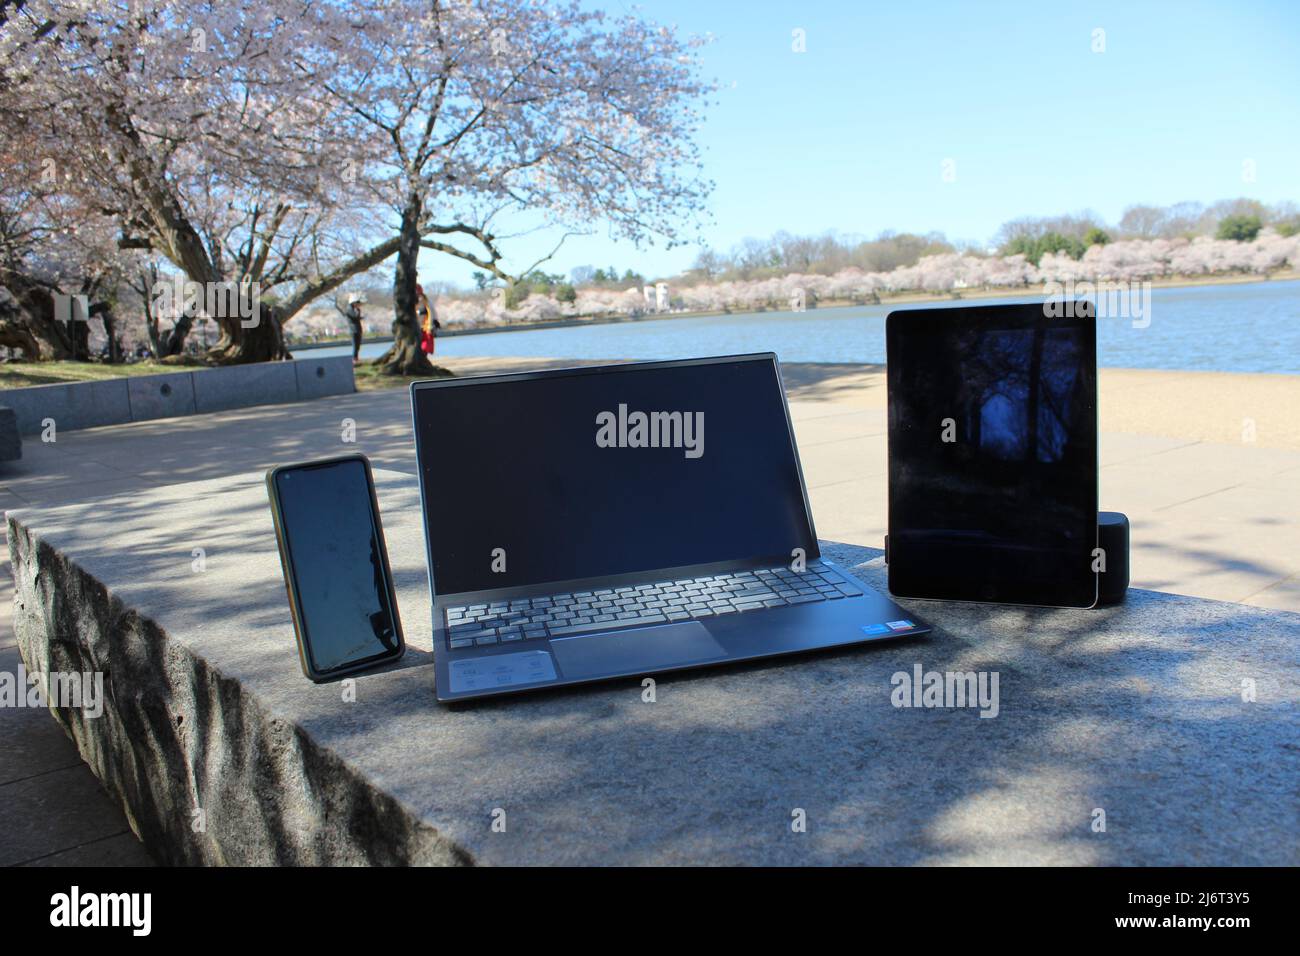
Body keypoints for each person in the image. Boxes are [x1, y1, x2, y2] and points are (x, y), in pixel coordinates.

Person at [334, 293, 366, 364]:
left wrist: (359, 314)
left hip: (357, 329)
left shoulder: (353, 309)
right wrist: (358, 312)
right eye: (357, 303)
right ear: (354, 303)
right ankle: (354, 359)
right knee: (355, 345)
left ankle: (356, 358)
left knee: (358, 345)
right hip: (353, 330)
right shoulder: (349, 309)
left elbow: (356, 318)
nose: (358, 305)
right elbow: (355, 317)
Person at [415, 283, 441, 355]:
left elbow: (432, 312)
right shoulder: (411, 301)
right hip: (416, 327)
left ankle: (423, 358)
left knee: (425, 346)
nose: (416, 292)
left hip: (426, 327)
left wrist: (434, 323)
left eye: (417, 290)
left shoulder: (426, 301)